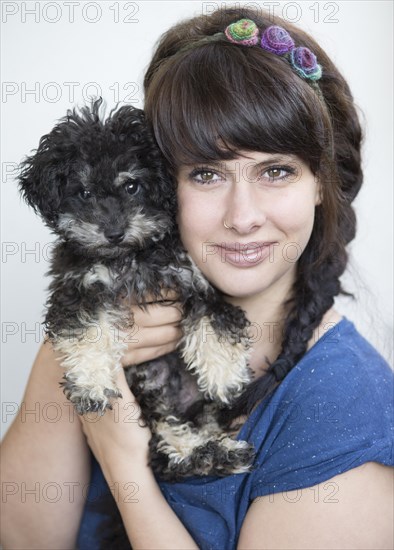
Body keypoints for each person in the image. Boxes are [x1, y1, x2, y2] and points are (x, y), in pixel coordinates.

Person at [1, 6, 393, 549]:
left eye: (275, 171)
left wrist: (124, 465)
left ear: (322, 183)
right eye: (206, 174)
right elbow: (22, 540)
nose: (242, 215)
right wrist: (60, 357)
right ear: (163, 182)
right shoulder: (108, 326)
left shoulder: (342, 402)